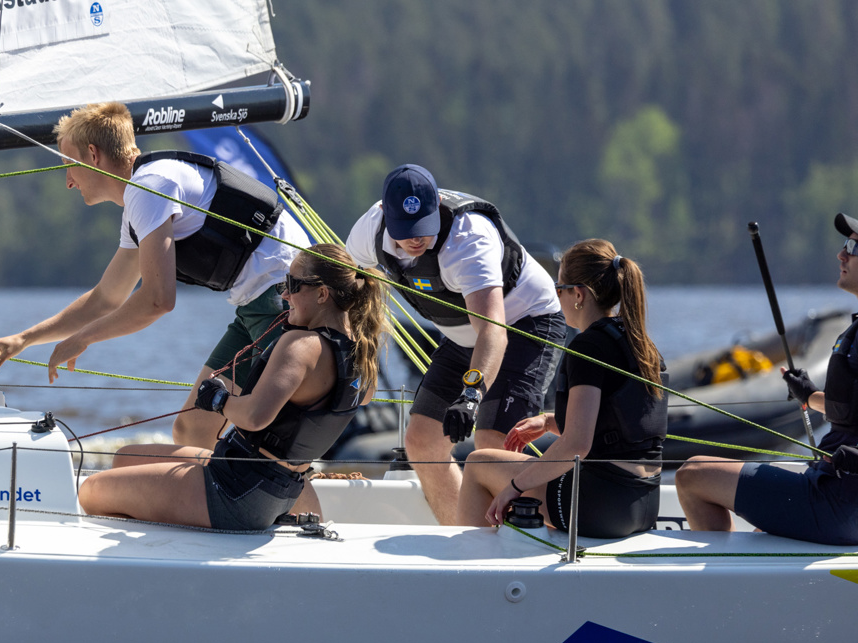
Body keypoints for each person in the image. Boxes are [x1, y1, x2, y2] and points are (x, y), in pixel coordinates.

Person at [0, 101, 311, 449]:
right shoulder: (142, 197)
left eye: (68, 165)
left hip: (288, 296)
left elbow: (159, 300)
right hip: (258, 302)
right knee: (192, 430)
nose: (68, 181)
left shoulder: (149, 187)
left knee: (269, 438)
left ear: (93, 155)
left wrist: (83, 338)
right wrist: (23, 339)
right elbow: (106, 298)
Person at [78, 244, 386, 530]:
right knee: (126, 457)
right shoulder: (360, 354)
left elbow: (254, 417)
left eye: (292, 285)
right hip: (277, 488)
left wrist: (218, 399)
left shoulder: (301, 344)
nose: (284, 295)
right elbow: (353, 400)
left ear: (322, 294)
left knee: (91, 492)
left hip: (237, 491)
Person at [346, 164, 565, 524]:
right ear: (384, 212)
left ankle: (551, 532)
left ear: (437, 206)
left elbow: (492, 331)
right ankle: (462, 538)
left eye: (424, 227)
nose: (416, 240)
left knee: (494, 444)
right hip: (461, 334)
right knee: (422, 442)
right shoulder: (368, 232)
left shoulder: (468, 241)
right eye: (406, 231)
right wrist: (357, 357)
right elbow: (350, 292)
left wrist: (471, 395)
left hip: (524, 325)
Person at [456, 239, 668, 539]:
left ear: (578, 294)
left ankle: (471, 562)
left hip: (603, 505)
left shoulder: (588, 347)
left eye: (559, 289)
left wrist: (514, 487)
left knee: (479, 463)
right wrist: (548, 422)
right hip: (644, 503)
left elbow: (577, 445)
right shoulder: (643, 345)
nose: (557, 297)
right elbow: (615, 425)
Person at [675, 213, 858, 544]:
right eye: (845, 245)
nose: (841, 254)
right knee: (761, 528)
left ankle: (723, 573)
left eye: (853, 248)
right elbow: (847, 409)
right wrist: (809, 395)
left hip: (839, 502)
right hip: (834, 492)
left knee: (692, 474)